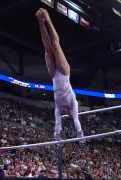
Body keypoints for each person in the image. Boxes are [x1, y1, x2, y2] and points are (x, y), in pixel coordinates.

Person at [36, 8, 84, 141]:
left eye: (67, 114)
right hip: (64, 73)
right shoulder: (74, 104)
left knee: (48, 48)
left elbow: (57, 122)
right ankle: (48, 19)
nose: (69, 114)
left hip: (54, 75)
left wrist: (57, 135)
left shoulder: (59, 107)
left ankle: (40, 22)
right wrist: (80, 135)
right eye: (70, 114)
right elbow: (76, 120)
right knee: (56, 45)